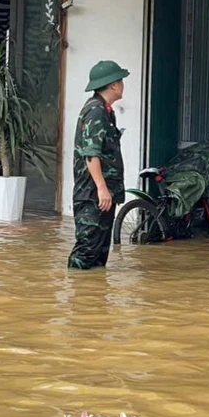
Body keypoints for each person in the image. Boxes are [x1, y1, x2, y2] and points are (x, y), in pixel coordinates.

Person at [68, 60, 130, 270]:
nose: (123, 85)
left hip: (102, 195)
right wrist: (102, 189)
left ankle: (93, 299)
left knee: (99, 253)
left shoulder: (105, 111)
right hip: (92, 195)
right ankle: (76, 293)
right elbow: (91, 155)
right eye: (120, 80)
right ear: (113, 84)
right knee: (86, 250)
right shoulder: (96, 112)